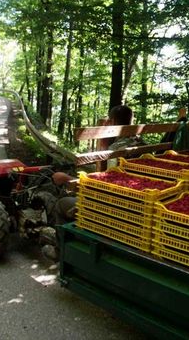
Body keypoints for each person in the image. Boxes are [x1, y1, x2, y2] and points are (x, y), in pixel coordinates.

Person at [42, 104, 143, 260]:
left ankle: (59, 251)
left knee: (61, 204)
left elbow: (104, 187)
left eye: (109, 121)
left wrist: (68, 180)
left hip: (113, 206)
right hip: (136, 203)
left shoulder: (117, 150)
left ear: (113, 121)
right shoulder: (143, 144)